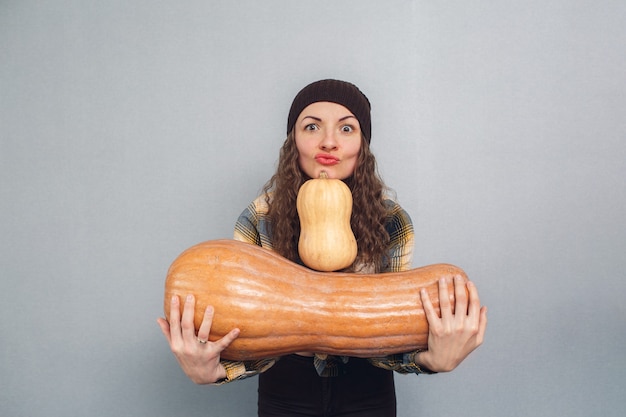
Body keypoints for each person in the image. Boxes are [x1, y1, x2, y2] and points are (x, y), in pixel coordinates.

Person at [157, 79, 488, 416]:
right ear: (293, 141)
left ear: (362, 144)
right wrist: (214, 371)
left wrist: (429, 359)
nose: (329, 142)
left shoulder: (391, 220)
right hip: (284, 392)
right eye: (312, 126)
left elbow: (392, 332)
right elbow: (243, 331)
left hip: (368, 392)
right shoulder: (259, 216)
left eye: (347, 128)